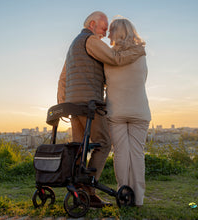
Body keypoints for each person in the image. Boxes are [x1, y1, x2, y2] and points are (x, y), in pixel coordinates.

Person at [57, 11, 145, 208]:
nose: (105, 34)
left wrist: (62, 102)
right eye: (104, 29)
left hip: (73, 104)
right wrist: (138, 51)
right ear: (92, 24)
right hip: (89, 103)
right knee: (103, 143)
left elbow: (63, 77)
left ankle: (78, 190)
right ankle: (89, 188)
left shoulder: (74, 45)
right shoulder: (90, 40)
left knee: (79, 148)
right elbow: (114, 58)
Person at [104, 18, 151, 207]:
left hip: (116, 111)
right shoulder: (141, 54)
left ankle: (123, 196)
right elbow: (143, 79)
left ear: (117, 33)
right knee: (137, 154)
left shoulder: (109, 56)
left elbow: (104, 81)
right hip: (140, 110)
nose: (108, 35)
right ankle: (138, 199)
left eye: (110, 31)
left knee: (121, 154)